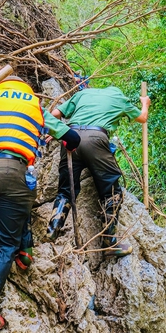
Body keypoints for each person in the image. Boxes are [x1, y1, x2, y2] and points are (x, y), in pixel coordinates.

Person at [0, 76, 81, 332]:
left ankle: (24, 250)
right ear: (26, 89)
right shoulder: (34, 106)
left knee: (20, 195)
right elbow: (72, 138)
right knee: (4, 241)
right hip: (9, 172)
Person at [45, 84, 150, 257]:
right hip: (95, 139)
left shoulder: (82, 94)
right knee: (112, 191)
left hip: (69, 136)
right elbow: (143, 118)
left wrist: (56, 131)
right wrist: (145, 103)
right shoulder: (119, 98)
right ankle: (109, 242)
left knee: (65, 191)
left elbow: (55, 114)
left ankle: (52, 229)